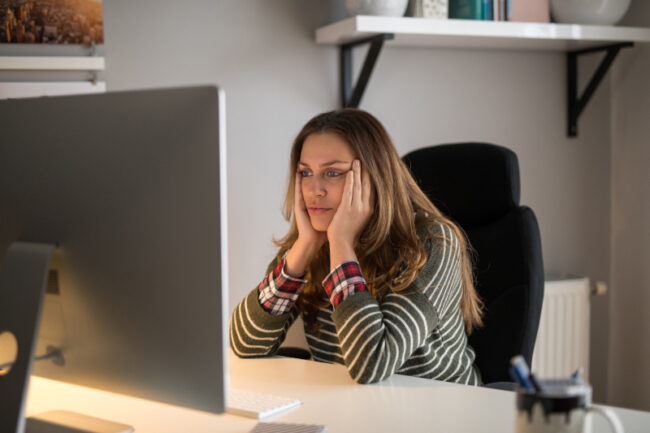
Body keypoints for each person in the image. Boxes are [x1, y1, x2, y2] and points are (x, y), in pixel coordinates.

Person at [230, 108, 484, 385]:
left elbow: (372, 363)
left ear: (373, 177)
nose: (315, 189)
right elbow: (244, 344)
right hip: (351, 405)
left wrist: (341, 243)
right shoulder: (313, 239)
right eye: (305, 172)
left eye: (333, 173)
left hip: (439, 412)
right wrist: (304, 247)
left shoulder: (432, 244)